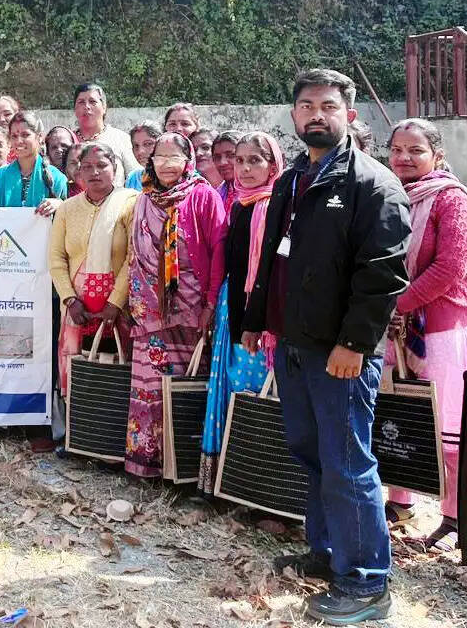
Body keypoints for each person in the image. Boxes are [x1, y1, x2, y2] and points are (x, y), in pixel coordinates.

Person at [241, 69, 410, 625]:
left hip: (341, 354)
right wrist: (256, 320)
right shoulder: (292, 180)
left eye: (329, 106)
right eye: (307, 105)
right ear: (293, 115)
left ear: (349, 115)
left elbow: (382, 277)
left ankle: (366, 583)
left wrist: (354, 344)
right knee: (311, 454)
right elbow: (273, 256)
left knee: (347, 464)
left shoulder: (373, 185)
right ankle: (327, 553)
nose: (317, 115)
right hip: (293, 344)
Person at [383, 118, 467, 552]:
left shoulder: (452, 199)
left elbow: (450, 267)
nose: (404, 158)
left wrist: (399, 304)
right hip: (393, 325)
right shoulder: (389, 195)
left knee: (448, 426)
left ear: (438, 155)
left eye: (416, 150)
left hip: (441, 328)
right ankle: (401, 503)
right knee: (399, 413)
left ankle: (453, 516)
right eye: (397, 150)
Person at [125, 132, 226, 479]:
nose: (166, 164)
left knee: (187, 386)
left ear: (188, 160)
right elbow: (135, 255)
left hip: (192, 312)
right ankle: (148, 464)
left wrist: (209, 304)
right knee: (150, 386)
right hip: (149, 313)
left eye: (174, 157)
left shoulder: (203, 196)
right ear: (150, 161)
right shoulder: (143, 199)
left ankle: (182, 467)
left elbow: (218, 253)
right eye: (160, 157)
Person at [197, 131, 284, 494]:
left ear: (273, 165)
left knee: (256, 394)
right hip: (231, 310)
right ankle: (225, 483)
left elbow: (275, 270)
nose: (245, 169)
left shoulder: (280, 207)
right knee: (231, 389)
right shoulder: (238, 204)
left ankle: (258, 490)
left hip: (260, 318)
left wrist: (259, 321)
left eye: (255, 161)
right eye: (240, 161)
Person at [48, 142, 138, 430]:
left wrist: (115, 302)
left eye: (101, 166)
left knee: (117, 367)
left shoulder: (131, 203)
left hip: (119, 308)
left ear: (115, 167)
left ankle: (113, 437)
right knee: (77, 365)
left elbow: (134, 257)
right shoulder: (67, 209)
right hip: (77, 309)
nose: (94, 172)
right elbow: (56, 258)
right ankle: (78, 435)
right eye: (87, 166)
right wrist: (70, 300)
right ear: (78, 171)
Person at [0, 110, 68, 212]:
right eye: (14, 136)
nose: (19, 141)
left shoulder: (57, 178)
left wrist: (60, 204)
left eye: (25, 135)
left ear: (39, 137)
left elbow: (67, 214)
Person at [72, 83, 139, 176]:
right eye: (81, 102)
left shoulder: (121, 139)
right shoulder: (68, 140)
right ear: (75, 109)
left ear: (104, 107)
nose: (87, 106)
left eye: (92, 101)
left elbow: (136, 176)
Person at [125, 120, 162, 189]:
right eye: (136, 146)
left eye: (148, 144)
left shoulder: (170, 176)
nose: (140, 151)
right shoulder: (133, 178)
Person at [211, 130, 241, 210]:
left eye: (231, 155)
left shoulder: (260, 196)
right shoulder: (216, 196)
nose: (222, 163)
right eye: (217, 157)